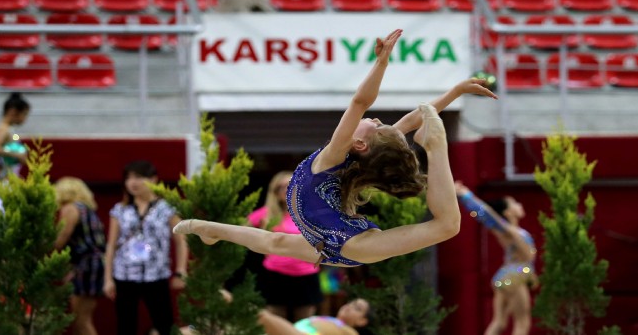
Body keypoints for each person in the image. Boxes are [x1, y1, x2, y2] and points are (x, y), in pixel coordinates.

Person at [173, 28, 497, 267]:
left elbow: (360, 101)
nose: (377, 119)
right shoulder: (356, 158)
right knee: (274, 241)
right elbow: (412, 120)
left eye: (378, 125)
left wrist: (381, 63)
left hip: (352, 243)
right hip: (330, 235)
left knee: (447, 226)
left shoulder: (337, 153)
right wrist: (454, 92)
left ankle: (436, 146)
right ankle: (207, 229)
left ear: (359, 142)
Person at [103, 160, 189, 335]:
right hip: (125, 274)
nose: (132, 183)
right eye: (128, 178)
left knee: (164, 323)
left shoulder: (167, 208)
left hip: (156, 274)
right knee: (126, 325)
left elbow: (181, 240)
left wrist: (181, 270)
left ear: (153, 179)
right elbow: (111, 245)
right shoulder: (120, 210)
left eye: (138, 177)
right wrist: (108, 278)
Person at [454, 181, 537, 335]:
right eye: (514, 203)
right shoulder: (507, 230)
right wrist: (466, 195)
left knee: (500, 321)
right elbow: (486, 214)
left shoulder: (512, 231)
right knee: (522, 322)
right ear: (507, 212)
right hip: (515, 275)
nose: (519, 205)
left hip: (505, 276)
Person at [247, 171, 323, 321]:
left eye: (289, 185)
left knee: (304, 324)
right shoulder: (267, 214)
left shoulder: (309, 213)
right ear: (275, 192)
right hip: (275, 275)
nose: (285, 190)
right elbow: (241, 229)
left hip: (305, 274)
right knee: (276, 323)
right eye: (280, 187)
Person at [53, 177, 106, 335]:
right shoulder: (88, 210)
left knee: (81, 320)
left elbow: (59, 240)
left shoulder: (70, 208)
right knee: (83, 318)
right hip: (95, 264)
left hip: (86, 265)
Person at [258, 298, 372, 335]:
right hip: (294, 331)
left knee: (261, 316)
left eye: (357, 308)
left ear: (362, 321)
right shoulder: (331, 320)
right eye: (350, 303)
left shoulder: (350, 332)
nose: (349, 307)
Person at [0, 93, 30, 179]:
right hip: (3, 179)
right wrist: (18, 155)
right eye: (24, 114)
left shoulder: (10, 130)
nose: (25, 118)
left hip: (10, 175)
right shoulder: (3, 129)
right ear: (13, 112)